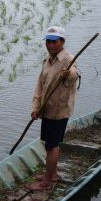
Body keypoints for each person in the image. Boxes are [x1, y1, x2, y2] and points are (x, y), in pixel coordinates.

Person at [28, 26, 80, 191]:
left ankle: (47, 182)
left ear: (62, 42)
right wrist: (35, 107)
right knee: (48, 143)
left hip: (59, 111)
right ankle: (54, 174)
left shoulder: (68, 59)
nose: (50, 45)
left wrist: (68, 74)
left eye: (54, 42)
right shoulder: (47, 60)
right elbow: (39, 85)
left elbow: (74, 75)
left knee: (52, 146)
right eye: (48, 42)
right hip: (46, 110)